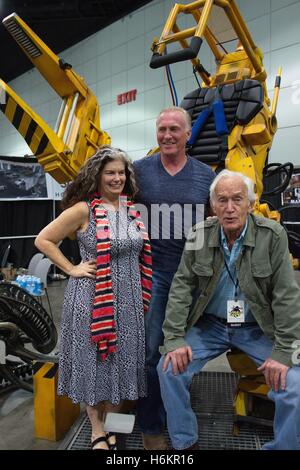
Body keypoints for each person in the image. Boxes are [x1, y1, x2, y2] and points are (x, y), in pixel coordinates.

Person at [157, 169, 300, 450]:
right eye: (222, 200)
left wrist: (284, 352)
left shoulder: (272, 236)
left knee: (295, 385)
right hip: (209, 325)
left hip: (257, 326)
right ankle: (185, 442)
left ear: (250, 202)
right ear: (213, 205)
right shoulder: (199, 234)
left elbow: (286, 297)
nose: (230, 208)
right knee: (168, 369)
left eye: (237, 199)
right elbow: (181, 287)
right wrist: (173, 338)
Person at [35, 145, 152, 450]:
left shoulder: (131, 210)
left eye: (121, 173)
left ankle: (112, 420)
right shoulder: (83, 209)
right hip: (92, 300)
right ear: (97, 176)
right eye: (110, 173)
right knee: (93, 363)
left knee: (123, 361)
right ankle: (96, 428)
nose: (117, 178)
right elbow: (43, 239)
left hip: (129, 301)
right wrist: (71, 267)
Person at [133, 106, 215, 449]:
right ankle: (151, 427)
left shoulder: (205, 175)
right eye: (162, 129)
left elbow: (219, 221)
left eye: (174, 130)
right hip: (154, 276)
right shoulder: (138, 172)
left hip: (195, 278)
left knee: (184, 350)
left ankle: (176, 410)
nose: (167, 135)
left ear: (187, 135)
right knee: (151, 352)